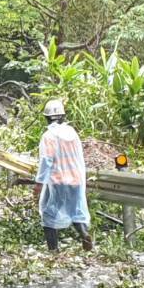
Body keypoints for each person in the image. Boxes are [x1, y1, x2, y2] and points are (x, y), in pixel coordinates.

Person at [33, 98, 93, 251]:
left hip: (58, 181)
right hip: (76, 180)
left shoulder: (49, 136)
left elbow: (46, 160)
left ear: (47, 118)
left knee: (48, 214)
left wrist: (39, 183)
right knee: (75, 211)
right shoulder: (72, 133)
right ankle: (84, 234)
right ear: (63, 116)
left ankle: (53, 250)